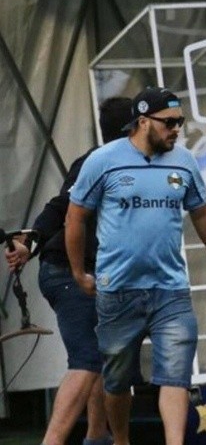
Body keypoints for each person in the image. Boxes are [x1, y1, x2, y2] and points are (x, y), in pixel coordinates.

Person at [65, 87, 206, 445]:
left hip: (171, 290)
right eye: (169, 123)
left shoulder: (184, 161)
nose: (177, 130)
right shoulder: (103, 160)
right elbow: (75, 217)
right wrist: (78, 272)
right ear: (142, 121)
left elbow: (202, 213)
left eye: (180, 122)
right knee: (116, 381)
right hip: (117, 291)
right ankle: (121, 440)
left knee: (175, 377)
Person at [3, 97, 134, 445]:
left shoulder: (133, 164)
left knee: (103, 357)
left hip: (95, 274)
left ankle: (97, 436)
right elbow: (60, 206)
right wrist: (28, 246)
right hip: (67, 272)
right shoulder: (97, 162)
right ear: (135, 127)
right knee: (88, 360)